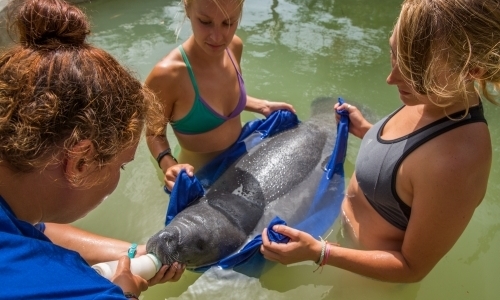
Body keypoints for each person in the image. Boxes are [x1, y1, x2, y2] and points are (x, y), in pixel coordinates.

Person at [260, 0, 500, 283]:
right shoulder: (434, 97)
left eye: (414, 70)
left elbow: (412, 268)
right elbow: (409, 165)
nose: (391, 78)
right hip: (337, 241)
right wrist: (368, 131)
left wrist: (320, 253)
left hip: (366, 284)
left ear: (473, 70)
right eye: (394, 53)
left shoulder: (458, 161)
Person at [0, 0, 183, 298]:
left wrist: (138, 252)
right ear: (80, 162)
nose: (119, 175)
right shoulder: (86, 291)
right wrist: (125, 295)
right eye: (121, 165)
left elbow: (34, 229)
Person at [145, 0, 295, 191]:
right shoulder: (167, 75)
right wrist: (168, 164)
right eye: (205, 22)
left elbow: (225, 98)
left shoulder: (234, 47)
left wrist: (262, 105)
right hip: (201, 180)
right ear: (187, 9)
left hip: (242, 159)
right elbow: (153, 134)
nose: (217, 37)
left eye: (228, 23)